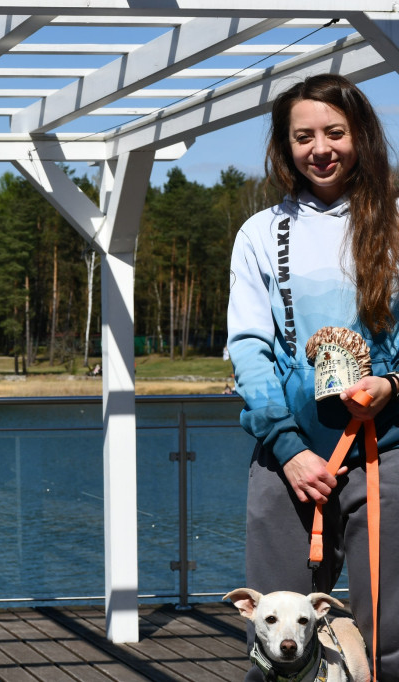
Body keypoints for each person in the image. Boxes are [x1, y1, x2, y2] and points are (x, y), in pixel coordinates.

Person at [228, 73, 399, 680]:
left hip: (385, 454)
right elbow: (248, 348)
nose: (320, 148)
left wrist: (392, 386)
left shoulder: (395, 224)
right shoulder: (258, 234)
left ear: (361, 138)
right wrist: (290, 448)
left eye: (335, 132)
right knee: (277, 634)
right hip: (285, 462)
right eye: (304, 136)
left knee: (388, 636)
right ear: (285, 147)